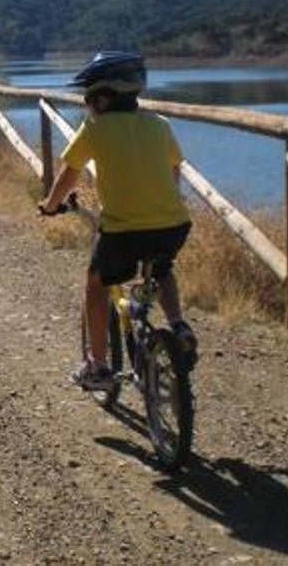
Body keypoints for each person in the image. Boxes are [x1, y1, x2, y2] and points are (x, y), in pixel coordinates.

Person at [38, 52, 195, 391]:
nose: (87, 105)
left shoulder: (96, 127)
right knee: (162, 269)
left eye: (88, 97)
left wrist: (50, 205)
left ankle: (97, 367)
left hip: (123, 230)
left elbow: (70, 172)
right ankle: (179, 327)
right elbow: (174, 169)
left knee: (96, 284)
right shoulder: (159, 124)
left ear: (103, 97)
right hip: (173, 223)